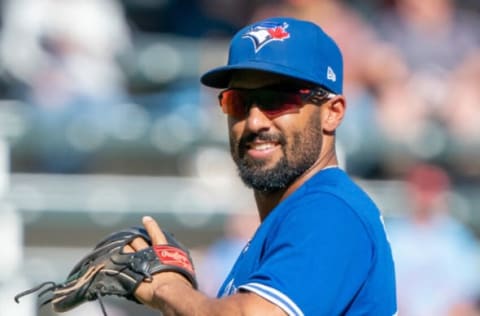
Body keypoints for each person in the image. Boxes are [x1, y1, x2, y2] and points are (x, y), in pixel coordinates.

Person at [127, 16, 397, 315]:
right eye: (238, 102)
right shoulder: (291, 219)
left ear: (332, 113)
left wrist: (169, 290)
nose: (254, 122)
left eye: (277, 100)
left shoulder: (330, 209)